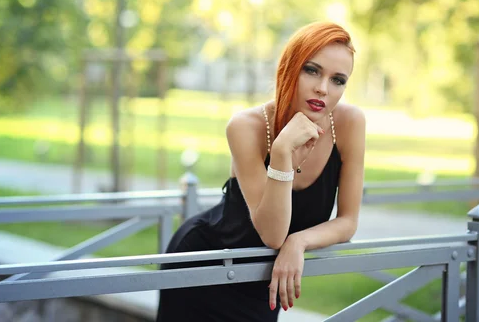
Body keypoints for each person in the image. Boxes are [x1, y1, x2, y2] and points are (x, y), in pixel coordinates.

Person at [156, 21, 366, 322]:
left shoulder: (350, 124)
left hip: (263, 283)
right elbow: (272, 233)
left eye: (338, 80)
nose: (323, 88)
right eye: (312, 70)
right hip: (204, 266)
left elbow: (348, 222)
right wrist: (281, 154)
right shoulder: (245, 126)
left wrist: (299, 241)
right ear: (289, 68)